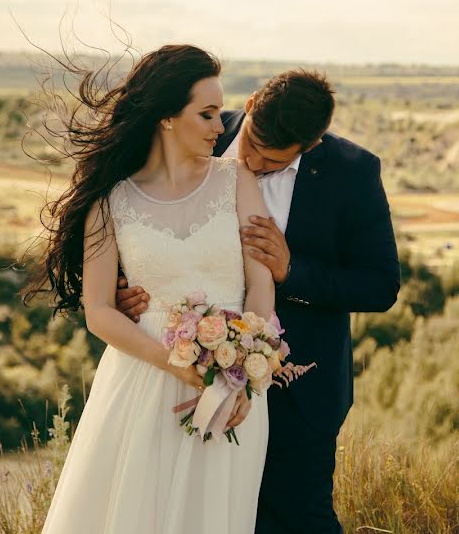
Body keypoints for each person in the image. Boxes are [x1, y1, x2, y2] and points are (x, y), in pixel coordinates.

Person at [117, 69, 401, 533]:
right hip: (180, 378)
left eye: (270, 161)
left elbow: (380, 285)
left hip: (299, 392)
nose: (249, 161)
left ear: (310, 145)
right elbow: (139, 220)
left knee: (299, 519)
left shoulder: (353, 173)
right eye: (249, 143)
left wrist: (293, 271)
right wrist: (128, 288)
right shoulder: (196, 131)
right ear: (249, 105)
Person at [25, 44, 274, 534]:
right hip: (140, 378)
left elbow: (260, 286)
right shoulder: (109, 198)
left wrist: (241, 374)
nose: (218, 127)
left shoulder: (237, 180)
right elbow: (99, 312)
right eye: (204, 114)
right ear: (165, 117)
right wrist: (178, 365)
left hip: (230, 389)